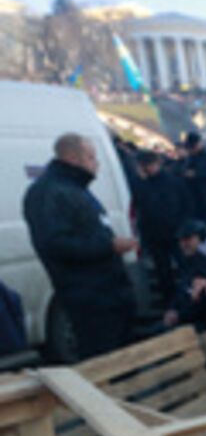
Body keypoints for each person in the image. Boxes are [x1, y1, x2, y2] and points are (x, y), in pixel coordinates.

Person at [22, 133, 138, 358]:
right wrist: (108, 246)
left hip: (109, 292)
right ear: (73, 158)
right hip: (88, 297)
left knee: (122, 355)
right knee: (103, 357)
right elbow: (56, 244)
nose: (97, 163)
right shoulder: (49, 192)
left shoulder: (75, 188)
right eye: (91, 157)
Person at [133, 150, 194, 304]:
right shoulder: (144, 183)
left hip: (172, 232)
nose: (147, 169)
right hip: (158, 233)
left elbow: (187, 205)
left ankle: (182, 299)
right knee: (165, 270)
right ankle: (173, 301)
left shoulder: (171, 182)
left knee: (180, 268)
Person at [163, 220, 206, 329]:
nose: (183, 244)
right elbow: (181, 291)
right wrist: (173, 309)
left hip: (203, 324)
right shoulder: (188, 263)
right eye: (181, 240)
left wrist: (179, 315)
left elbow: (205, 302)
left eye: (188, 239)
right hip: (184, 320)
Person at [181, 132, 206, 221]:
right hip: (194, 198)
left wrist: (197, 174)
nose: (191, 150)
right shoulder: (189, 158)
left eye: (193, 147)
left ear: (199, 144)